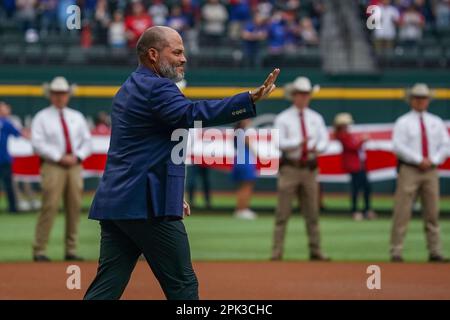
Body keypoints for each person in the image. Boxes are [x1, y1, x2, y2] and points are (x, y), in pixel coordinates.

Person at [84, 26, 280, 300]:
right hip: (146, 206)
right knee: (183, 286)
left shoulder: (129, 87)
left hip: (117, 203)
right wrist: (247, 99)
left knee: (107, 288)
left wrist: (172, 192)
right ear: (153, 54)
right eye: (176, 52)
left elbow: (141, 150)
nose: (183, 58)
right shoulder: (158, 87)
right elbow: (190, 114)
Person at [31, 76, 92, 262]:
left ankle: (71, 249)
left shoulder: (76, 117)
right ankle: (39, 250)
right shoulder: (42, 117)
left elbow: (87, 141)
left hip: (74, 165)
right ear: (50, 95)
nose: (59, 97)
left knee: (74, 207)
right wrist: (59, 157)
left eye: (63, 93)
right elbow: (37, 143)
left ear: (68, 95)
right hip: (53, 166)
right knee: (49, 206)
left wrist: (78, 156)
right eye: (56, 93)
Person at [272, 76, 330, 261]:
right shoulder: (283, 118)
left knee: (312, 213)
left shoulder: (316, 118)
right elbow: (278, 142)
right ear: (293, 95)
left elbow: (324, 141)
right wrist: (299, 143)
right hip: (291, 167)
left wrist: (317, 147)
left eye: (306, 94)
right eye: (300, 94)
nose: (303, 97)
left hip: (310, 168)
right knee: (283, 213)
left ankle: (316, 250)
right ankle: (277, 251)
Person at [390, 83, 449, 263]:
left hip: (431, 170)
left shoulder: (436, 122)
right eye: (417, 98)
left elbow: (446, 145)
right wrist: (418, 159)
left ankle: (435, 250)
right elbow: (398, 146)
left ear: (428, 101)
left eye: (423, 98)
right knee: (402, 211)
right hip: (410, 169)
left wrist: (434, 159)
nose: (420, 101)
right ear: (411, 100)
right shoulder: (403, 122)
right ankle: (396, 250)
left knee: (432, 212)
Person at [334, 112, 376, 221]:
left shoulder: (349, 135)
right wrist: (362, 140)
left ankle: (367, 209)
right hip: (354, 166)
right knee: (356, 188)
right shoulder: (342, 135)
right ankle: (355, 210)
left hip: (360, 165)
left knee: (366, 187)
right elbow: (352, 146)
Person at [0, 102, 28, 213]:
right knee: (9, 185)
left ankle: (13, 207)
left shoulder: (7, 122)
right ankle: (13, 208)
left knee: (9, 186)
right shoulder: (5, 122)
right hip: (4, 159)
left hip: (4, 159)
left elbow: (19, 134)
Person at [232, 119, 258, 220]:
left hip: (238, 159)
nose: (250, 120)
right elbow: (250, 146)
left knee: (242, 186)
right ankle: (243, 209)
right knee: (247, 186)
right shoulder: (243, 132)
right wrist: (256, 154)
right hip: (245, 161)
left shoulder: (237, 132)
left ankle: (239, 209)